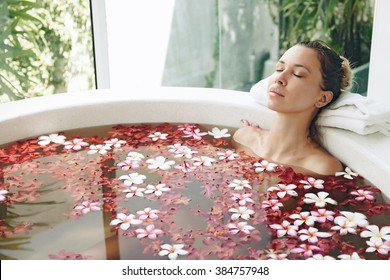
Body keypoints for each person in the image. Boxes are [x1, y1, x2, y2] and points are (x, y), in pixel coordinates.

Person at [232, 40, 353, 176]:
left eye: (298, 74)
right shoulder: (244, 138)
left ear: (322, 98)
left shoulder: (322, 168)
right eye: (279, 69)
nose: (279, 78)